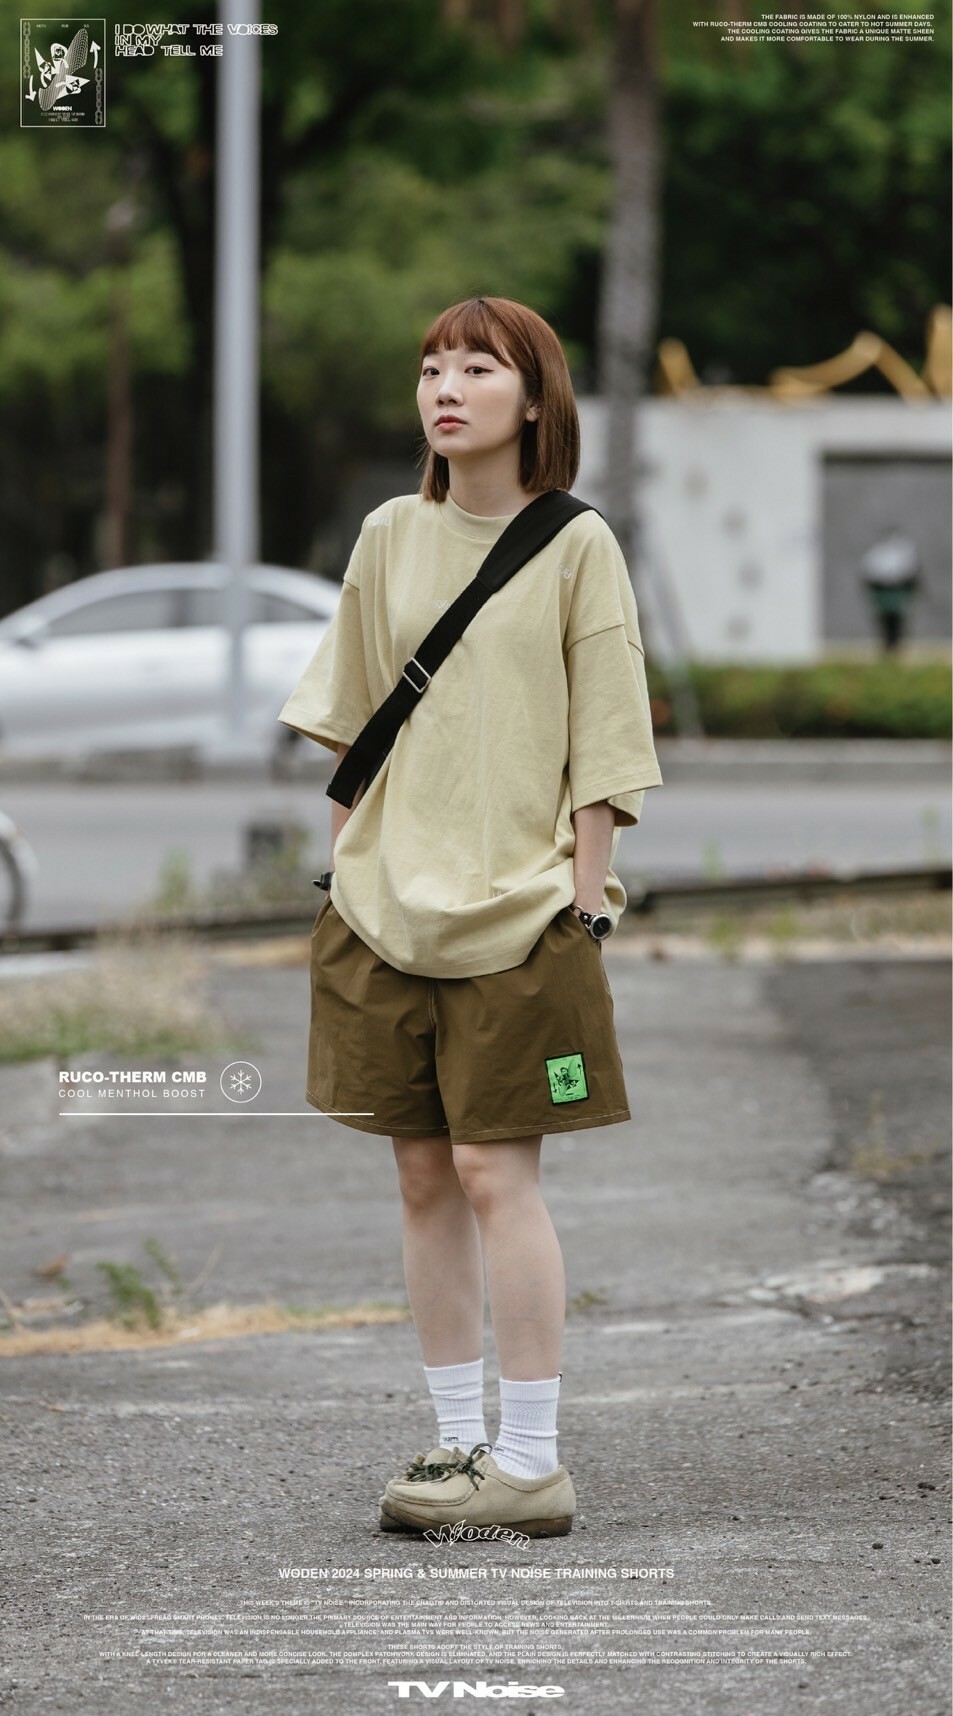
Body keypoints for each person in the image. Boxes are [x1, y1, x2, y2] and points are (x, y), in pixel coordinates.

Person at [278, 295, 663, 1538]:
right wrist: (344, 872)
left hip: (520, 910)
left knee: (497, 1173)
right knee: (419, 1176)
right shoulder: (390, 535)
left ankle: (532, 1461)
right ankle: (454, 1445)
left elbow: (608, 741)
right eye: (431, 367)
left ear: (534, 400)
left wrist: (581, 904)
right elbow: (349, 722)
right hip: (383, 909)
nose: (445, 388)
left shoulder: (576, 545)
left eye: (477, 368)